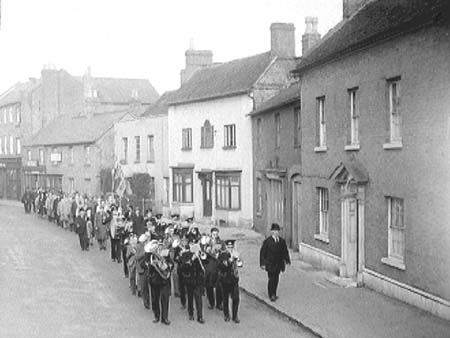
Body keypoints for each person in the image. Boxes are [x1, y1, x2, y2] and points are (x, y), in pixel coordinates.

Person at [259, 223, 291, 302]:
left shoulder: (281, 241)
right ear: (272, 232)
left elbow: (285, 251)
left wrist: (287, 260)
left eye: (277, 231)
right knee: (271, 279)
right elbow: (262, 252)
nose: (276, 233)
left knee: (276, 279)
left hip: (278, 264)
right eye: (275, 231)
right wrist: (262, 263)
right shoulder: (267, 241)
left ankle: (274, 293)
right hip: (270, 263)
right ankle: (271, 294)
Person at [218, 239, 242, 323]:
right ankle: (226, 314)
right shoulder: (222, 255)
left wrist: (238, 261)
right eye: (229, 247)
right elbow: (221, 267)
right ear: (226, 247)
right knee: (225, 298)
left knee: (236, 298)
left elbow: (240, 264)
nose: (230, 248)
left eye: (231, 247)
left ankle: (235, 316)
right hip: (225, 279)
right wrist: (229, 261)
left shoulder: (236, 253)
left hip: (234, 279)